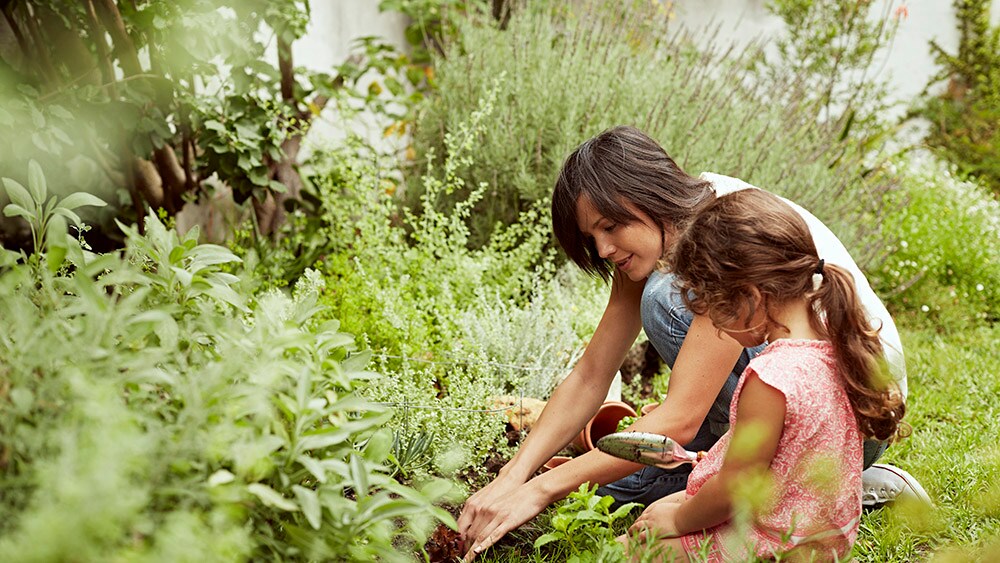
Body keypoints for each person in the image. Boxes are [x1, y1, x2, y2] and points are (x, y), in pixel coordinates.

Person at [458, 125, 927, 561]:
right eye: (591, 236)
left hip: (849, 423)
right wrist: (513, 476)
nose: (602, 249)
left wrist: (540, 490)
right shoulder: (655, 236)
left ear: (646, 198)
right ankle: (795, 487)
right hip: (810, 409)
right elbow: (591, 374)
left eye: (610, 226)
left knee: (663, 300)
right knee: (617, 497)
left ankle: (841, 487)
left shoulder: (722, 235)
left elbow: (680, 420)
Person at [621, 187, 908, 561]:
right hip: (822, 536)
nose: (719, 330)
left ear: (751, 298)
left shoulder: (770, 378)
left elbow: (734, 489)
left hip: (775, 543)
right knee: (671, 507)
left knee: (629, 549)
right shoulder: (837, 342)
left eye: (717, 311)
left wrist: (678, 521)